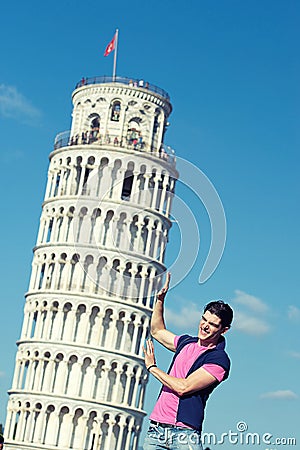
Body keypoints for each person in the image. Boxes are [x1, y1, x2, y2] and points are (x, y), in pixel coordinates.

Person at [143, 272, 233, 450]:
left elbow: (183, 387)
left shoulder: (219, 359)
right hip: (156, 430)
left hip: (184, 435)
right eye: (204, 319)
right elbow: (157, 331)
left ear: (224, 330)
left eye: (213, 324)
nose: (205, 326)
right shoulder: (186, 342)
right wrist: (160, 300)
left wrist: (153, 368)